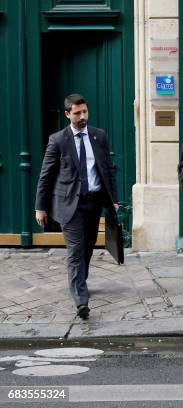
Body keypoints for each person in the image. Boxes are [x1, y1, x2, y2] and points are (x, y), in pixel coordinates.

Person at [35, 94, 118, 320]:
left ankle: (79, 281)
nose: (83, 117)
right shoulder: (58, 140)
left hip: (93, 203)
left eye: (85, 112)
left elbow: (108, 170)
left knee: (88, 247)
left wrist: (113, 200)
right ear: (67, 114)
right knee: (75, 251)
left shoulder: (98, 136)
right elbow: (46, 176)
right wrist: (40, 208)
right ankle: (81, 300)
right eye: (77, 113)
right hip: (68, 205)